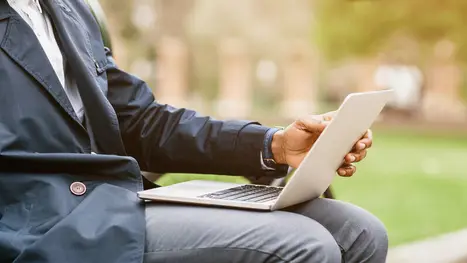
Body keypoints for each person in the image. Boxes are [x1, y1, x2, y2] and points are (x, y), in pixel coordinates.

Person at [0, 0, 388, 262]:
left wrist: (276, 145)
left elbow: (140, 121)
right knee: (305, 247)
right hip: (37, 222)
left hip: (114, 199)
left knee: (359, 233)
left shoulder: (66, 9)